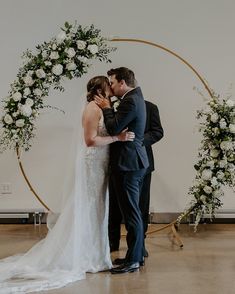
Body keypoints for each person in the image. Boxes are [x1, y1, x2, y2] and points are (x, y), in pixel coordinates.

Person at [0, 76, 135, 293]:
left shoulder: (102, 107)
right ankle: (85, 256)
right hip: (93, 163)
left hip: (102, 163)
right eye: (107, 85)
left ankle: (96, 255)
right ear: (100, 89)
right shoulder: (92, 109)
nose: (111, 87)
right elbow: (90, 140)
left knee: (98, 209)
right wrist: (117, 139)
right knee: (89, 207)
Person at [95, 67, 149, 274]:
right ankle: (133, 256)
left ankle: (134, 260)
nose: (110, 86)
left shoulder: (130, 101)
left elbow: (114, 128)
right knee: (131, 212)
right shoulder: (134, 97)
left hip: (129, 164)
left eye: (113, 82)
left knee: (131, 214)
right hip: (132, 162)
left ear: (123, 83)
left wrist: (107, 108)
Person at [108, 99, 164, 256]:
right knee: (113, 204)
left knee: (140, 205)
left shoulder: (150, 107)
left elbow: (158, 132)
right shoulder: (110, 107)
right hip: (116, 163)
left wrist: (138, 140)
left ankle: (140, 244)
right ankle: (112, 241)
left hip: (141, 165)